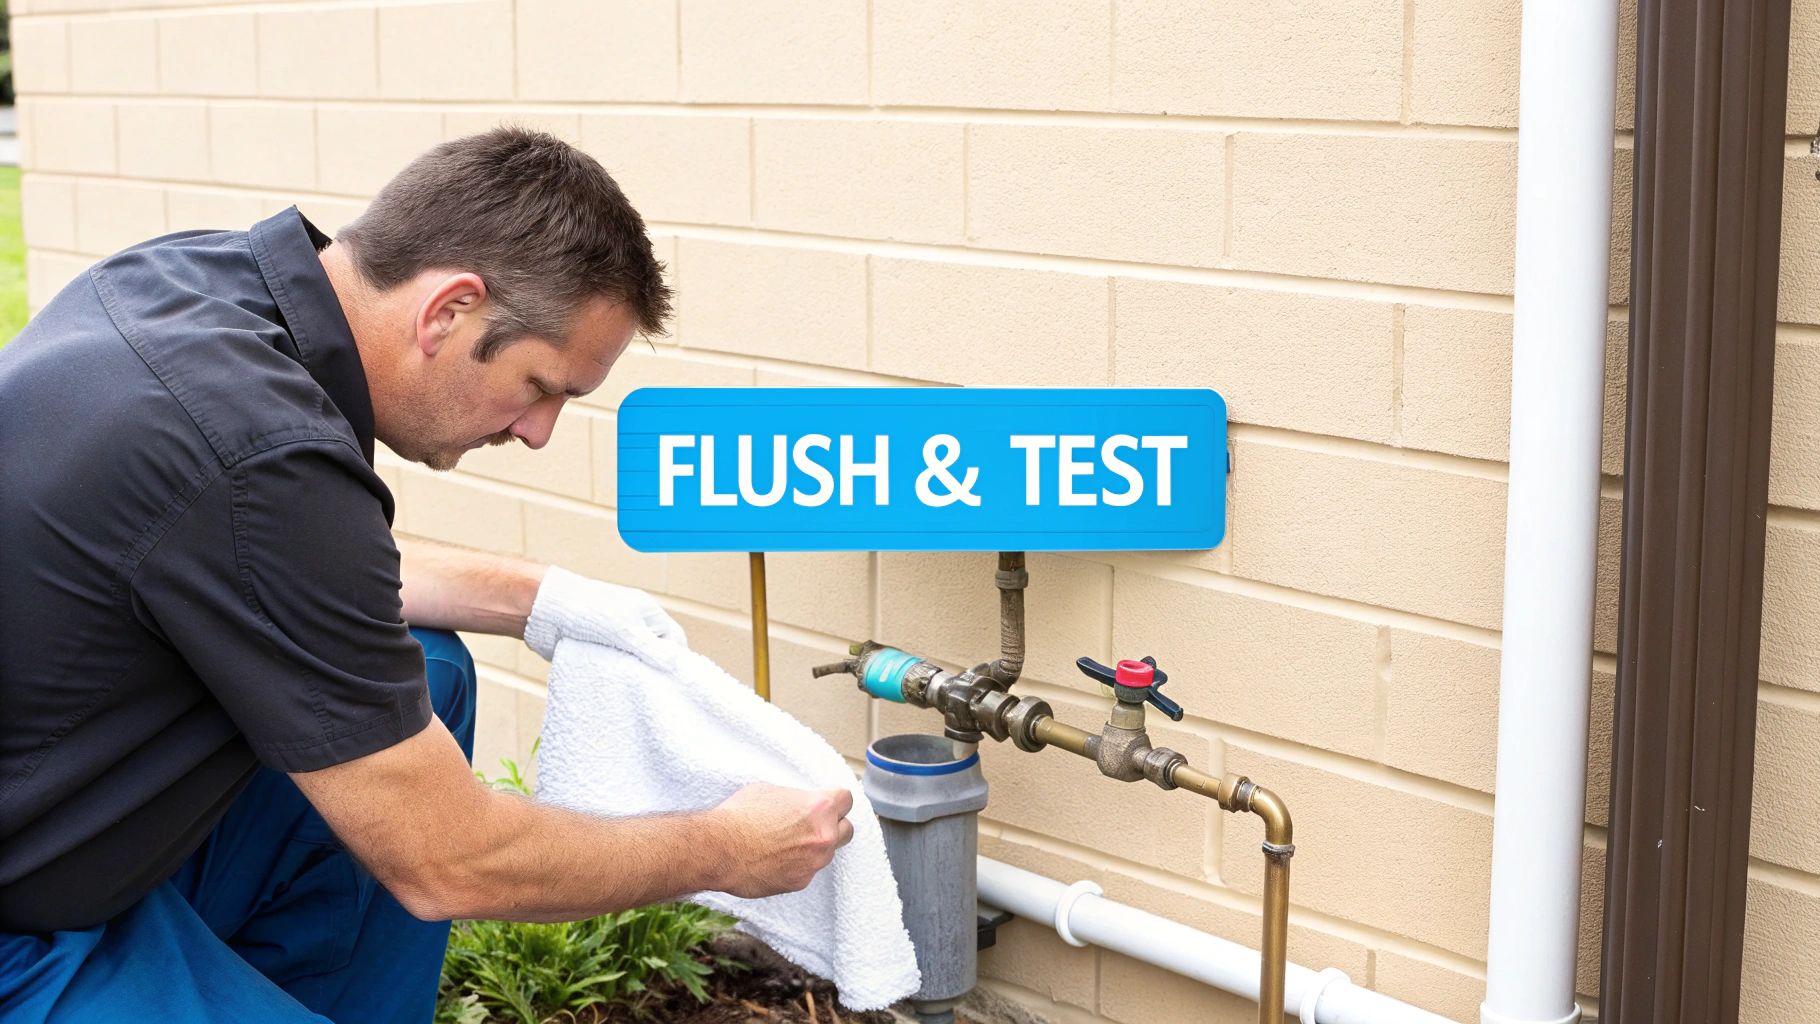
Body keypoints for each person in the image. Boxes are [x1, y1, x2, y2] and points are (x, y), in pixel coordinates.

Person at [0, 128, 854, 1024]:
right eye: (541, 386)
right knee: (423, 813)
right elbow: (450, 861)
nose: (538, 432)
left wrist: (545, 600)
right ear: (448, 310)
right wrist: (725, 850)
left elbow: (263, 564)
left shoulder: (197, 285)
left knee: (430, 670)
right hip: (24, 933)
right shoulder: (264, 452)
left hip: (66, 821)